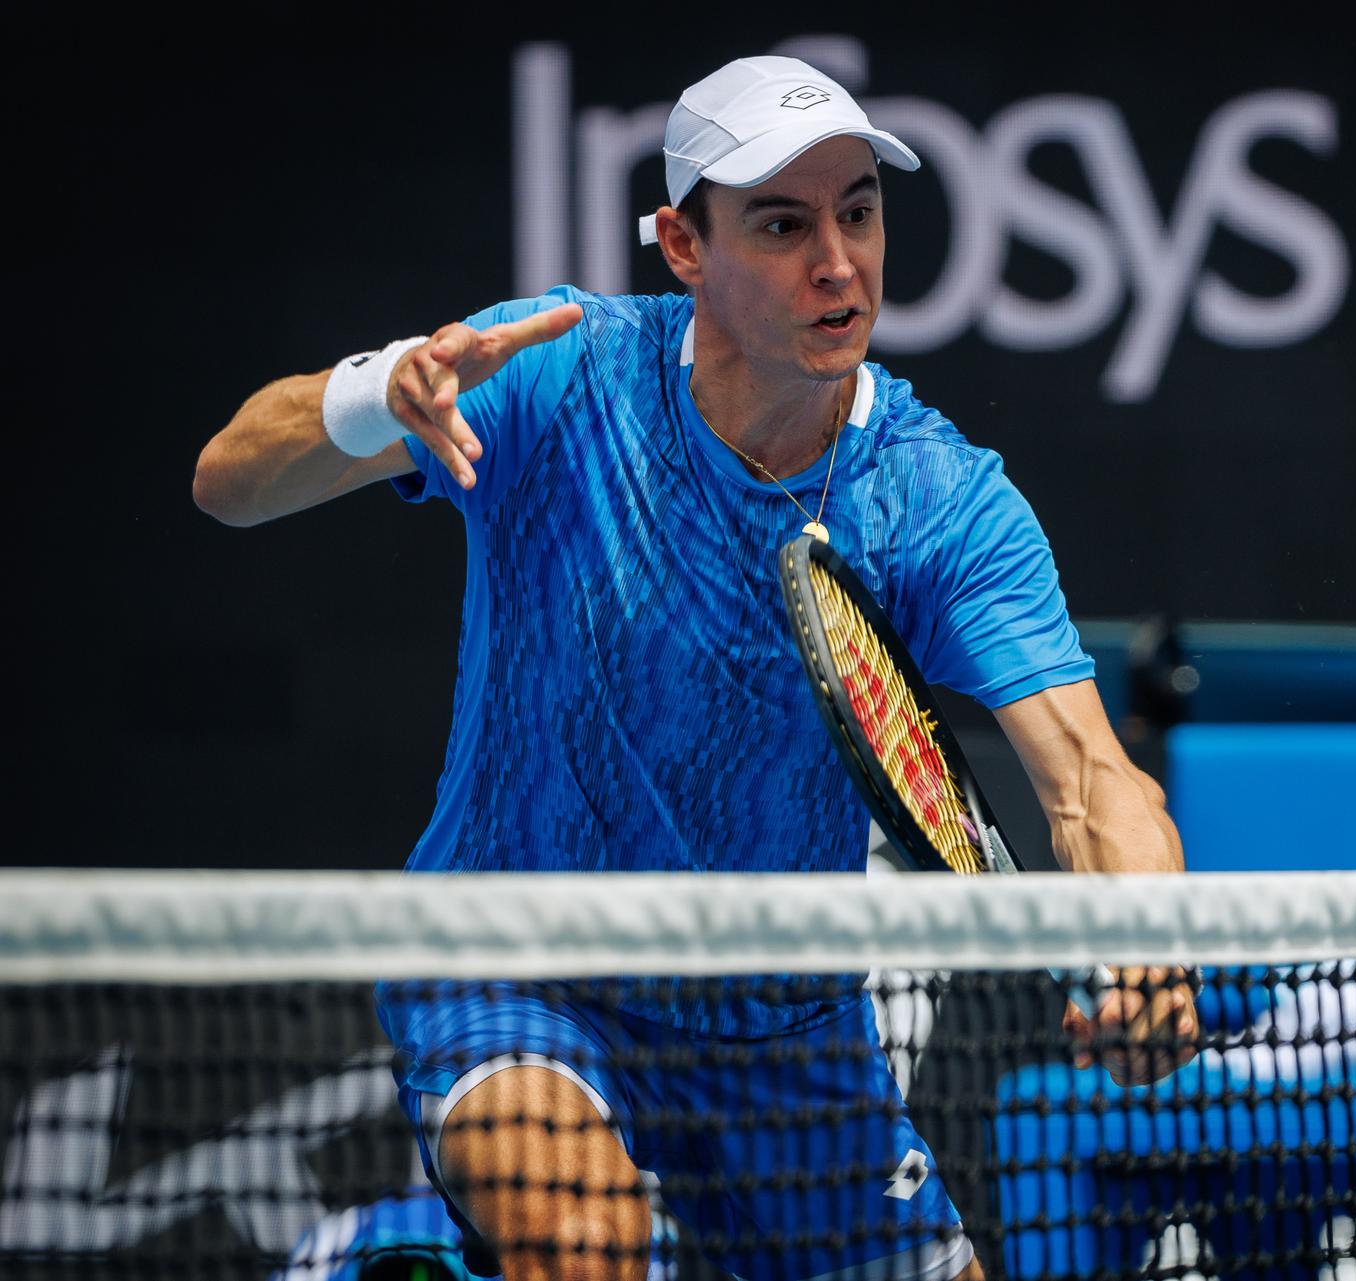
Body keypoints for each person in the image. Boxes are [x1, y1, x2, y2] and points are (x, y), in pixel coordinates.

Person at [196, 55, 1194, 1281]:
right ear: (682, 244)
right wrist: (374, 399)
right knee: (583, 1248)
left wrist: (1153, 951)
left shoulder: (941, 500)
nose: (838, 262)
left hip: (786, 1028)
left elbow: (1092, 780)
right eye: (783, 224)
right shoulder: (560, 374)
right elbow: (228, 480)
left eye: (860, 212)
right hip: (519, 966)